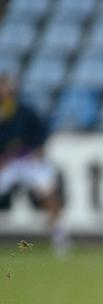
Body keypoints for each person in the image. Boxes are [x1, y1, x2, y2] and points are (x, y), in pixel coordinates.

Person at [0, 73, 67, 255]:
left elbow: (42, 133)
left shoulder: (25, 112)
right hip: (7, 162)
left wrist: (38, 149)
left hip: (28, 160)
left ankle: (58, 237)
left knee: (50, 194)